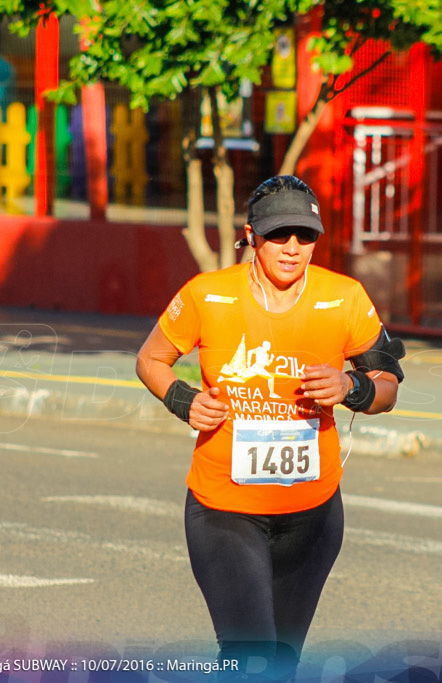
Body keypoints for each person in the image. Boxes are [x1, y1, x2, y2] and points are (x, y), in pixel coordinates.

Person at [135, 175, 404, 680]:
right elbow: (151, 358)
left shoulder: (343, 298)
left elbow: (388, 383)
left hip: (314, 517)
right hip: (225, 512)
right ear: (251, 235)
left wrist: (353, 386)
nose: (293, 247)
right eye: (279, 234)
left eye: (305, 236)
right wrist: (182, 399)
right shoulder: (208, 295)